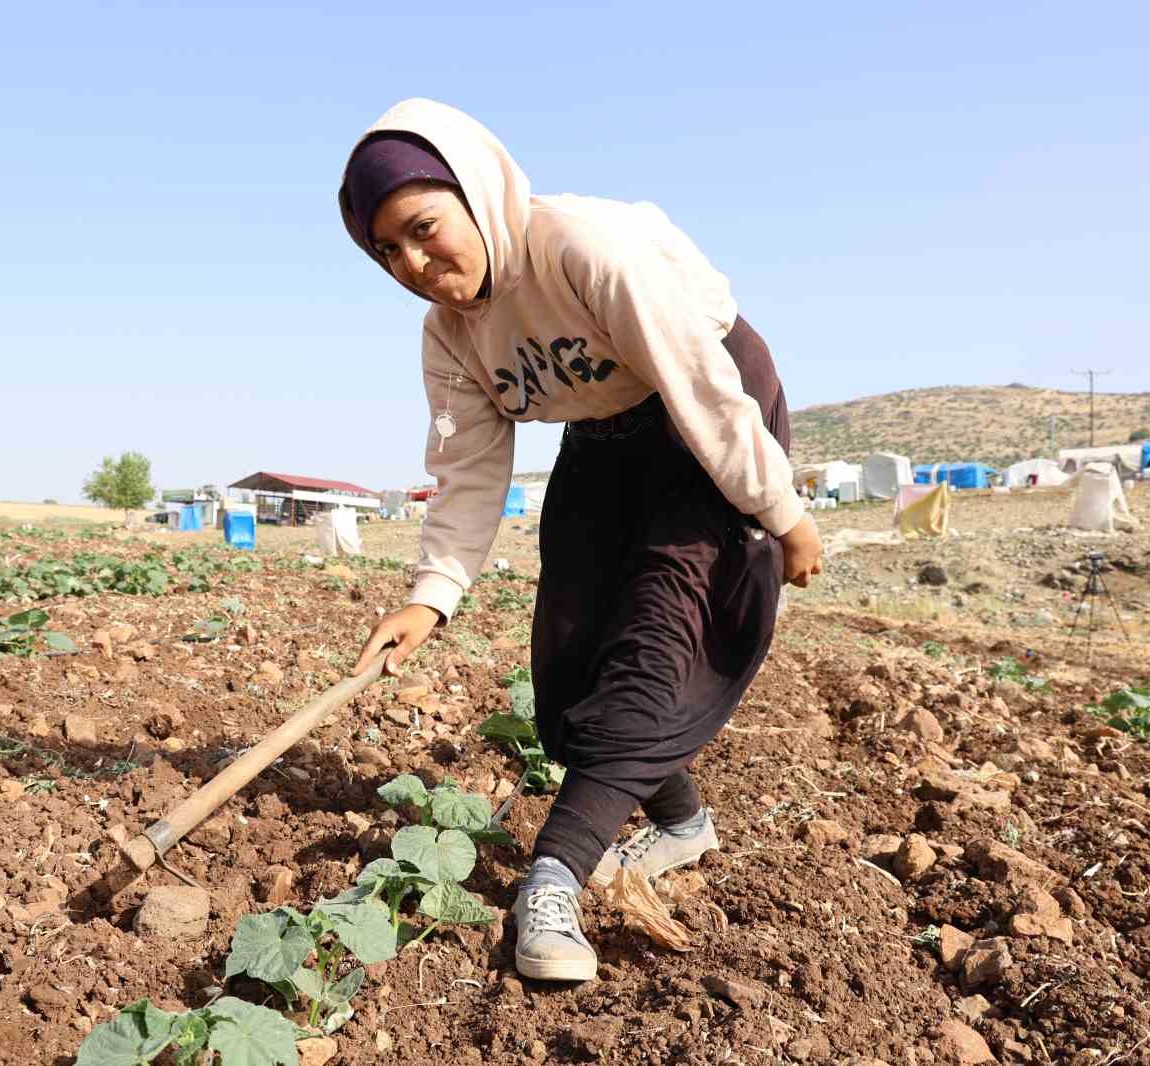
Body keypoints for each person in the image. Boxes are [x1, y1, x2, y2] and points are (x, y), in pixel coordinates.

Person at [341, 101, 823, 983]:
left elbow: (704, 388)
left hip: (706, 413)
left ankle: (554, 876)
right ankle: (682, 822)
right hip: (604, 439)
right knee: (571, 656)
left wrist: (780, 510)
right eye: (388, 253)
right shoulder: (449, 335)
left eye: (423, 229)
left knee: (657, 643)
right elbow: (469, 471)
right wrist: (429, 596)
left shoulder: (586, 251)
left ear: (473, 195)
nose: (413, 264)